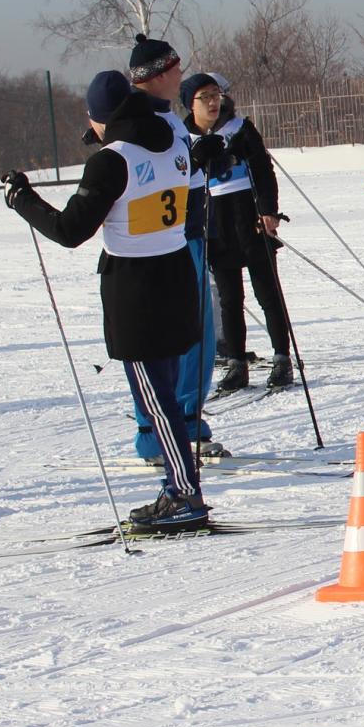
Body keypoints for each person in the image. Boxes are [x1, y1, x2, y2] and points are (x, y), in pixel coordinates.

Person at [3, 71, 209, 529]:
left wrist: (22, 199)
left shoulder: (111, 161)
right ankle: (182, 488)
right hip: (176, 272)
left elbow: (70, 231)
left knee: (157, 402)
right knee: (168, 394)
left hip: (135, 287)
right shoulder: (176, 140)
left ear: (99, 117)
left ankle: (183, 493)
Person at [127, 33, 224, 458]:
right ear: (161, 74)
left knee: (197, 335)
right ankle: (156, 432)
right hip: (160, 244)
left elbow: (178, 169)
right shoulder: (137, 119)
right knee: (164, 340)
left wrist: (204, 158)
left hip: (190, 234)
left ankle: (186, 421)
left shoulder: (169, 119)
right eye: (176, 68)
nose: (181, 75)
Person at [180, 72, 293, 391]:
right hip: (215, 223)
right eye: (205, 97)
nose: (214, 102)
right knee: (230, 298)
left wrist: (269, 210)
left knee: (267, 292)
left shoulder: (240, 129)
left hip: (249, 217)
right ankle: (236, 364)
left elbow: (263, 170)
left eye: (216, 95)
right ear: (191, 104)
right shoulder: (184, 139)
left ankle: (282, 359)